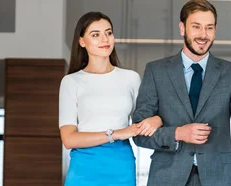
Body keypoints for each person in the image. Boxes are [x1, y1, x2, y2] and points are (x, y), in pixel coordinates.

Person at [131, 1, 231, 185]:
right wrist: (178, 133)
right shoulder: (157, 71)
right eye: (196, 27)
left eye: (209, 28)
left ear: (215, 30)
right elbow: (139, 133)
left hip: (218, 177)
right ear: (182, 28)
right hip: (168, 177)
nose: (203, 35)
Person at [58, 12, 162, 186]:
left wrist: (157, 119)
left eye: (109, 32)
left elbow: (145, 120)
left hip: (121, 165)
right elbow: (69, 139)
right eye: (95, 34)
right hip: (84, 168)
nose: (104, 39)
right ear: (82, 41)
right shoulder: (71, 82)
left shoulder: (131, 78)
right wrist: (117, 133)